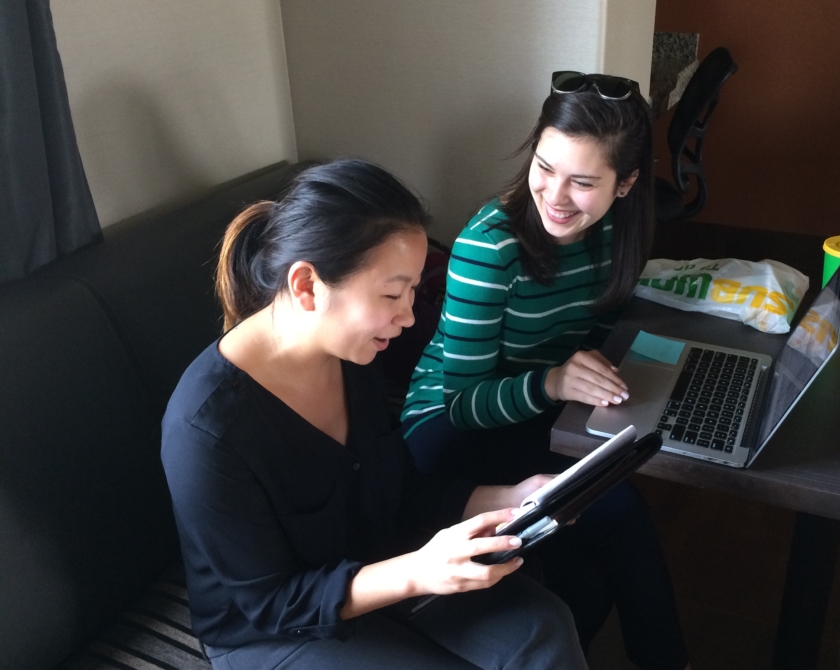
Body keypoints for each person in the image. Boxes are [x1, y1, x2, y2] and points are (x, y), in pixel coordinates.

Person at [160, 160, 588, 670]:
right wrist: (417, 572)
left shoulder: (352, 357)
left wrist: (509, 498)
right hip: (271, 631)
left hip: (377, 563)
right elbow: (272, 602)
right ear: (306, 286)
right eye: (391, 294)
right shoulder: (207, 430)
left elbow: (397, 492)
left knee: (544, 628)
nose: (408, 317)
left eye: (411, 292)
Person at [403, 73, 691, 670]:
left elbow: (587, 327)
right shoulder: (492, 246)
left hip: (535, 414)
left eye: (583, 182)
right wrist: (553, 383)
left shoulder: (617, 232)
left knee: (593, 553)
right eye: (544, 167)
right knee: (619, 514)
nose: (555, 197)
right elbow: (460, 403)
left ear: (626, 183)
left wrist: (592, 375)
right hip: (447, 428)